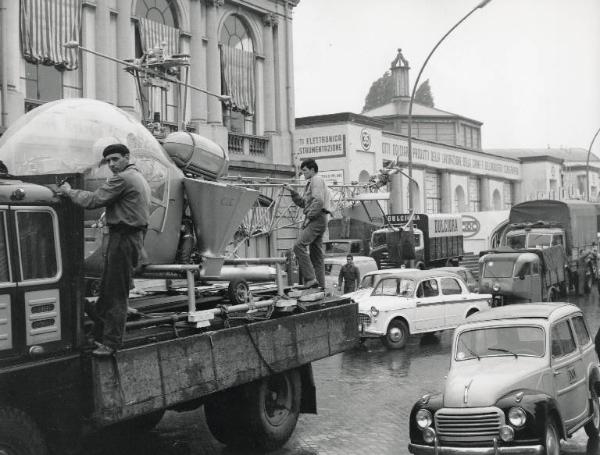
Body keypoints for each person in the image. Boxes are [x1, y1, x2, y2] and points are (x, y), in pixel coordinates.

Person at [57, 144, 151, 357]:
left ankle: (111, 343)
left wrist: (69, 191)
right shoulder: (137, 177)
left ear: (127, 157)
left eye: (115, 159)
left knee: (115, 294)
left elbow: (93, 200)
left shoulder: (123, 178)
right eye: (108, 161)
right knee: (109, 291)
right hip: (129, 238)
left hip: (123, 239)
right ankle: (99, 335)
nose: (111, 165)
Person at [284, 158, 331, 288]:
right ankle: (320, 286)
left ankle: (310, 279)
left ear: (312, 169)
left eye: (304, 170)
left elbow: (318, 201)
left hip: (317, 218)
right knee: (317, 256)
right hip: (321, 218)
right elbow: (305, 203)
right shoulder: (313, 182)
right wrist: (293, 192)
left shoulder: (316, 180)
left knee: (298, 246)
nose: (303, 173)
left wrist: (309, 217)